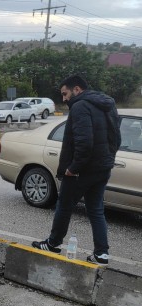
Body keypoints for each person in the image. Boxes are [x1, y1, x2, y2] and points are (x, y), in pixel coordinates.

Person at [31, 75, 121, 265]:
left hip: (82, 170)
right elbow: (116, 138)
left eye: (65, 94)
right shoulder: (107, 104)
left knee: (64, 206)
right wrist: (108, 159)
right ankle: (101, 255)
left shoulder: (80, 106)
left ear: (77, 89)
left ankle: (53, 244)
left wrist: (73, 168)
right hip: (102, 168)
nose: (64, 99)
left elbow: (84, 143)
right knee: (96, 210)